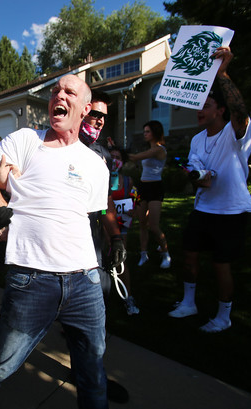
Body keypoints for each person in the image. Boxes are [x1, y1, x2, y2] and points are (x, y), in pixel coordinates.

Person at [0, 74, 112, 409]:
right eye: (55, 90)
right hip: (31, 279)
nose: (58, 95)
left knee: (92, 370)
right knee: (3, 363)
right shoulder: (27, 140)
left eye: (69, 91)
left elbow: (87, 217)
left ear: (85, 108)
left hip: (85, 281)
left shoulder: (96, 165)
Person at [168, 47, 251, 333]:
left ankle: (223, 317)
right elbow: (198, 174)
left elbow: (240, 110)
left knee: (221, 265)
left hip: (230, 210)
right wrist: (196, 177)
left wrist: (223, 74)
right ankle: (189, 303)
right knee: (190, 256)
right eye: (199, 106)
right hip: (203, 208)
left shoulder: (236, 132)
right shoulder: (195, 140)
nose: (199, 110)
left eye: (206, 105)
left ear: (220, 110)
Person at [78, 92, 128, 302]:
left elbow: (107, 201)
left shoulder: (103, 155)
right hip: (58, 240)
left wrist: (116, 238)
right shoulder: (56, 146)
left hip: (91, 238)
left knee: (97, 295)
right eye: (95, 114)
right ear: (81, 111)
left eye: (104, 116)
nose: (100, 120)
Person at [128, 120, 172, 269]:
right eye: (144, 131)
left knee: (153, 225)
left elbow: (134, 157)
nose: (144, 134)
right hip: (142, 187)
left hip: (155, 188)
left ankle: (165, 253)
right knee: (141, 223)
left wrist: (117, 151)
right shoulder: (149, 150)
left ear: (155, 133)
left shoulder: (159, 150)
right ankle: (143, 254)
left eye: (147, 131)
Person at [109, 146, 139, 315]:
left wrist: (133, 208)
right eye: (111, 156)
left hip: (122, 224)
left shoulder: (128, 181)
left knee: (121, 259)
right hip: (103, 223)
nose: (114, 160)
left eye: (118, 157)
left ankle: (127, 296)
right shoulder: (101, 178)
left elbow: (135, 196)